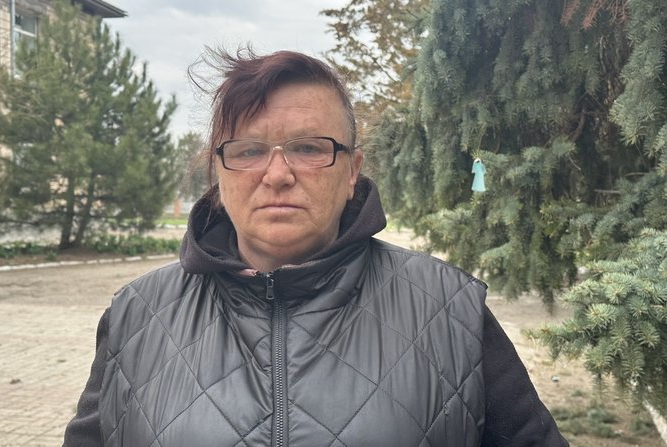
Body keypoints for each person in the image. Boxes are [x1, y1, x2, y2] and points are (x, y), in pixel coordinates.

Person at [64, 48, 567, 446]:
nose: (277, 174)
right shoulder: (137, 315)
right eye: (249, 150)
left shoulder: (449, 309)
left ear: (351, 172)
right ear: (219, 173)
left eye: (308, 148)